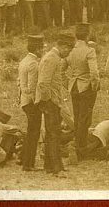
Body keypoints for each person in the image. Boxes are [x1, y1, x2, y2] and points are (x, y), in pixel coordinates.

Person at [36, 31, 76, 177]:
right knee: (54, 135)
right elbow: (43, 84)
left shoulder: (54, 57)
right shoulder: (52, 58)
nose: (69, 52)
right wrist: (48, 102)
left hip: (53, 102)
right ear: (63, 46)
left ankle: (49, 165)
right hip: (50, 102)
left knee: (52, 134)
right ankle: (56, 168)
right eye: (69, 49)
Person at [64, 23, 100, 156]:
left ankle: (78, 144)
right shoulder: (89, 51)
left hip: (74, 86)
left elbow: (62, 69)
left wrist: (67, 83)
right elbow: (94, 73)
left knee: (78, 116)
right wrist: (95, 87)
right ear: (87, 35)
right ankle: (80, 147)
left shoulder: (71, 50)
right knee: (85, 118)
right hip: (86, 88)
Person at [18, 34, 44, 171]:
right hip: (31, 102)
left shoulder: (24, 61)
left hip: (24, 100)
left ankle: (23, 159)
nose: (43, 51)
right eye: (41, 48)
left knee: (30, 131)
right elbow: (32, 87)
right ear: (37, 49)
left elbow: (21, 83)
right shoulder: (34, 64)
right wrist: (37, 103)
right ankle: (28, 164)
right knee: (33, 133)